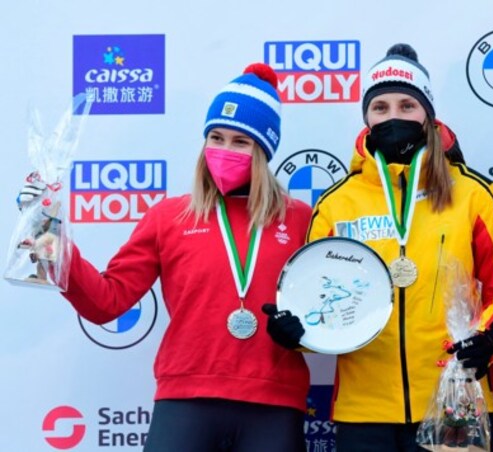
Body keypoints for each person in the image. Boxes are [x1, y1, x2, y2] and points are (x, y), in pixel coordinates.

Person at [20, 63, 312, 451]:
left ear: (263, 150)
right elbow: (108, 301)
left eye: (241, 142)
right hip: (186, 398)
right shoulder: (169, 217)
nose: (224, 151)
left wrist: (306, 333)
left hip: (273, 402)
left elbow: (326, 310)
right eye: (216, 137)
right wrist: (50, 239)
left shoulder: (301, 219)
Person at [264, 44, 493, 451]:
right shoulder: (337, 204)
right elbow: (313, 294)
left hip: (456, 398)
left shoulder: (472, 194)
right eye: (380, 107)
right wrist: (296, 331)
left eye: (407, 105)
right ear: (367, 117)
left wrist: (488, 343)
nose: (393, 117)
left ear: (427, 114)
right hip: (363, 410)